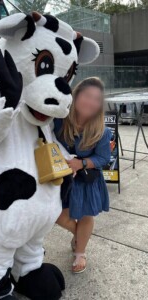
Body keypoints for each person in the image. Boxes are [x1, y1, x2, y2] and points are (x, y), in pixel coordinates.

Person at [54, 77, 111, 274]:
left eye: (96, 99)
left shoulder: (102, 130)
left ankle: (80, 252)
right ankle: (79, 235)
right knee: (56, 214)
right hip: (61, 179)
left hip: (87, 180)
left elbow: (104, 157)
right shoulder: (59, 119)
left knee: (86, 215)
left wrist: (82, 162)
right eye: (87, 96)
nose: (91, 102)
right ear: (76, 95)